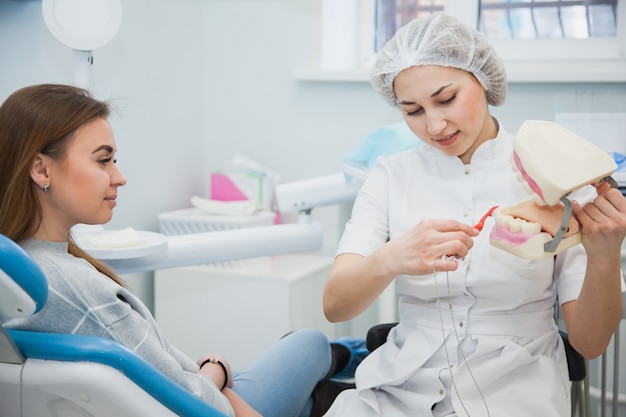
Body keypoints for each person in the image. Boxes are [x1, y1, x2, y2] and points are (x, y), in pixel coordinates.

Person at [322, 13, 626, 417]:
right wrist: (391, 258)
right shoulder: (391, 175)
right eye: (412, 110)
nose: (434, 124)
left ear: (482, 79)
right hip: (399, 391)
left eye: (446, 99)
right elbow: (335, 306)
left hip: (515, 391)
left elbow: (590, 344)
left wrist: (605, 256)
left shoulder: (556, 172)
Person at [0, 83, 346, 417]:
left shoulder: (22, 276)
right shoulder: (79, 288)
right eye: (103, 161)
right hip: (202, 403)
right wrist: (216, 369)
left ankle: (320, 400)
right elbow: (191, 401)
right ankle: (341, 374)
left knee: (298, 386)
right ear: (41, 168)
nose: (119, 177)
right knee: (309, 343)